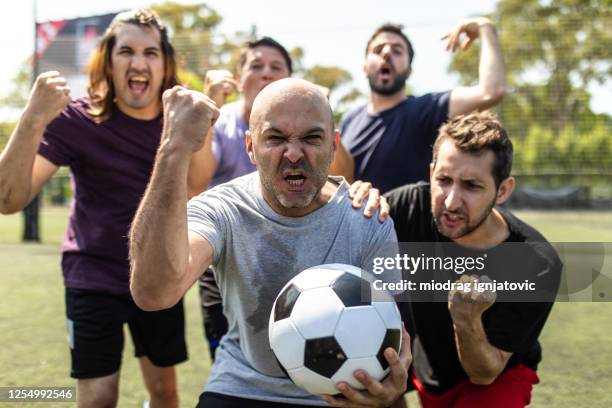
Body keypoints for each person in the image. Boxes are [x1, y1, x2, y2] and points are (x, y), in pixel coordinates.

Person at [129, 78, 411, 407]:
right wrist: (173, 147)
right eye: (275, 138)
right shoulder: (223, 209)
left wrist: (390, 391)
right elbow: (153, 293)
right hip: (240, 388)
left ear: (334, 145)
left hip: (341, 395)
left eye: (311, 137)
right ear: (250, 147)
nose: (293, 153)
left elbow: (393, 338)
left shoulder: (368, 219)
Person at [0, 9, 186, 407]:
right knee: (99, 398)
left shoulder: (179, 123)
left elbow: (201, 188)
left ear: (164, 62)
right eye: (126, 52)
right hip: (91, 276)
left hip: (156, 275)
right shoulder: (77, 119)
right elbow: (7, 199)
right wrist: (32, 117)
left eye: (151, 53)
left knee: (165, 393)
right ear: (108, 59)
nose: (138, 63)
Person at [189, 37, 356, 360]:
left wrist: (323, 114)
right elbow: (196, 182)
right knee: (233, 351)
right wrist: (207, 115)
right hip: (227, 257)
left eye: (276, 67)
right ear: (237, 80)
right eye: (255, 66)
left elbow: (345, 178)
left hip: (294, 251)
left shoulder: (313, 122)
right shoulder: (221, 123)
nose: (266, 73)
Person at [382, 111, 561, 407]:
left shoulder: (536, 261)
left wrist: (467, 318)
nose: (451, 201)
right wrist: (356, 194)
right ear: (431, 174)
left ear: (502, 190)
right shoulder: (408, 206)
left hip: (496, 375)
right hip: (428, 365)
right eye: (444, 180)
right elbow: (339, 208)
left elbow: (484, 373)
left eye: (471, 186)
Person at [341, 18, 506, 193]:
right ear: (365, 67)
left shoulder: (427, 109)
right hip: (355, 219)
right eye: (378, 49)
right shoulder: (349, 120)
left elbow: (491, 92)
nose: (387, 53)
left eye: (397, 50)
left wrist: (485, 27)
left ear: (409, 70)